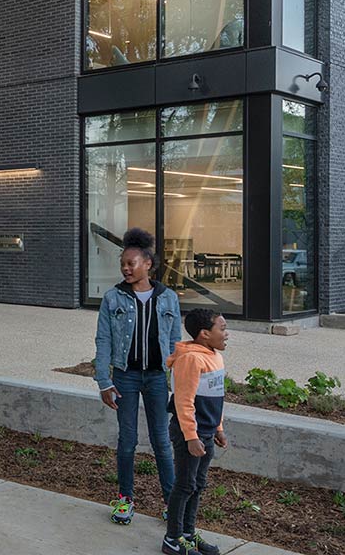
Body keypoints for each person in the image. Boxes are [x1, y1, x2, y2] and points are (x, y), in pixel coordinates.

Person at [95, 227, 180, 525]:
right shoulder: (113, 298)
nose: (126, 269)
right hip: (125, 378)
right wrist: (104, 381)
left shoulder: (168, 298)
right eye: (123, 264)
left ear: (148, 264)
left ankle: (172, 503)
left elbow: (175, 344)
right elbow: (103, 341)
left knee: (162, 441)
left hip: (157, 378)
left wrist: (177, 381)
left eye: (131, 263)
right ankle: (125, 498)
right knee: (127, 440)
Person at [163, 309, 230, 555]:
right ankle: (172, 538)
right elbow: (184, 401)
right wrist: (190, 437)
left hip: (206, 432)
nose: (227, 334)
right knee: (185, 485)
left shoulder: (214, 356)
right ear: (204, 334)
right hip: (188, 434)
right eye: (222, 329)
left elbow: (215, 397)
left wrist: (218, 428)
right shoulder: (191, 359)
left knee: (198, 484)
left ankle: (188, 534)